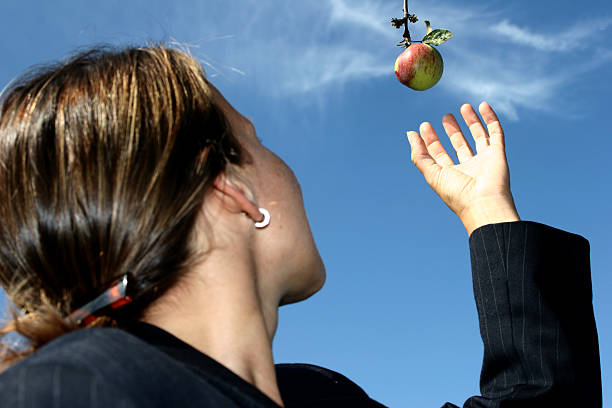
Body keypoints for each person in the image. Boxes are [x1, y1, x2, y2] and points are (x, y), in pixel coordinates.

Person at [0, 46, 601, 408]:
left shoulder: (319, 400)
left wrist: (487, 211)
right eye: (256, 139)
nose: (285, 163)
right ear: (231, 189)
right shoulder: (71, 392)